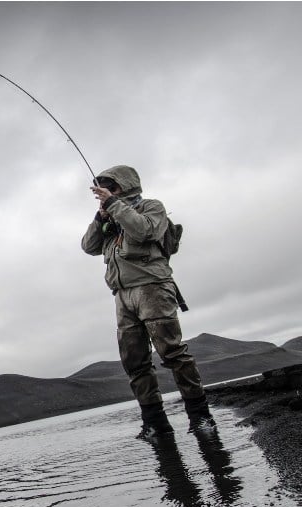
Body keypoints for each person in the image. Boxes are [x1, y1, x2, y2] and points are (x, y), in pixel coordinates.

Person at [81, 165, 216, 440]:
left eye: (111, 186)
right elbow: (88, 246)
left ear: (125, 185)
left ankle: (201, 417)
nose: (106, 192)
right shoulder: (111, 213)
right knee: (135, 362)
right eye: (104, 188)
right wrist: (100, 215)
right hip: (121, 294)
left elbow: (145, 232)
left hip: (153, 288)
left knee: (173, 353)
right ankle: (155, 424)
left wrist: (114, 205)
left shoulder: (151, 207)